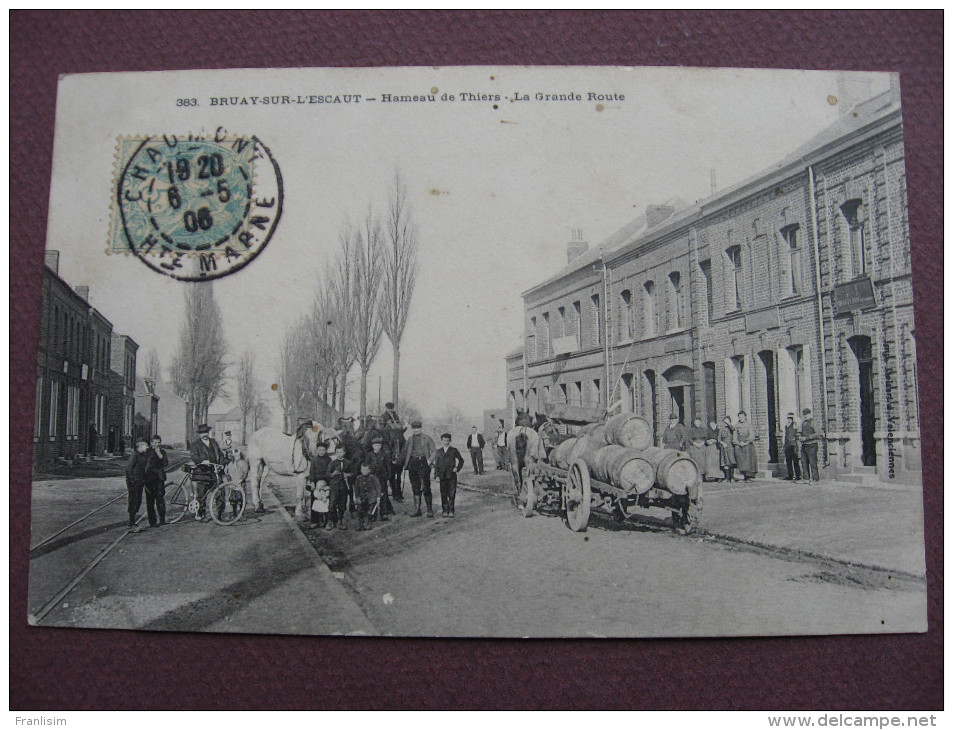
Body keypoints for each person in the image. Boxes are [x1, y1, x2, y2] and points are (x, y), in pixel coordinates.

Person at [189, 424, 227, 521]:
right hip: (202, 473)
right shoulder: (195, 445)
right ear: (199, 434)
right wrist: (202, 461)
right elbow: (194, 456)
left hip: (214, 473)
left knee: (220, 493)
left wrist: (221, 465)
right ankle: (201, 514)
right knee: (201, 495)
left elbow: (221, 455)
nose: (204, 435)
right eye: (202, 433)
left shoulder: (214, 443)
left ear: (208, 433)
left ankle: (219, 514)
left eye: (205, 432)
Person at [402, 420, 435, 517]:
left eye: (418, 428)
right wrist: (403, 463)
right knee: (415, 486)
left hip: (423, 463)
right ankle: (417, 509)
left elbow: (434, 451)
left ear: (421, 428)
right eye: (415, 428)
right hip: (412, 463)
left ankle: (429, 509)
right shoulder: (409, 439)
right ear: (412, 429)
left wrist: (429, 461)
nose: (416, 430)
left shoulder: (427, 438)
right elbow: (405, 452)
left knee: (425, 486)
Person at [433, 432, 465, 518]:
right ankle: (445, 510)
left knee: (452, 493)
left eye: (447, 440)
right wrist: (436, 476)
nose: (446, 442)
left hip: (451, 475)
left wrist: (457, 468)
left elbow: (461, 460)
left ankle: (451, 510)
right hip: (442, 475)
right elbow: (436, 465)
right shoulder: (438, 451)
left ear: (450, 441)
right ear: (442, 441)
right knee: (443, 493)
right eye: (444, 440)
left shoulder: (454, 450)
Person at [125, 437, 150, 532]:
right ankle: (131, 524)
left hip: (140, 482)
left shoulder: (143, 455)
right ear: (140, 446)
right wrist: (132, 480)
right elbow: (129, 468)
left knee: (138, 501)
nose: (147, 447)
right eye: (146, 445)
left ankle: (133, 522)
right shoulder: (135, 455)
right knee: (133, 501)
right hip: (134, 482)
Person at [144, 434, 169, 527]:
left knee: (160, 499)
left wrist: (160, 455)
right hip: (149, 479)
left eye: (159, 443)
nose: (157, 444)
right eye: (155, 443)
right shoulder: (147, 452)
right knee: (150, 501)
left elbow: (165, 463)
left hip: (159, 479)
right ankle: (152, 521)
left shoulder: (162, 452)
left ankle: (162, 519)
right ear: (151, 443)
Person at [307, 441, 334, 528]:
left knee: (326, 501)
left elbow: (329, 472)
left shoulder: (329, 460)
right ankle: (315, 520)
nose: (321, 452)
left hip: (325, 482)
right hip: (316, 482)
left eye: (323, 450)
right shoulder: (314, 460)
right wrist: (312, 482)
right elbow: (311, 472)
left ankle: (327, 521)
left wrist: (326, 483)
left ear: (326, 451)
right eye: (320, 450)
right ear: (317, 451)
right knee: (315, 500)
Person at [365, 437, 393, 519]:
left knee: (383, 494)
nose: (377, 447)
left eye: (378, 445)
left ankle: (383, 513)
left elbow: (388, 467)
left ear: (381, 446)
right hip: (373, 478)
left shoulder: (385, 455)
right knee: (373, 495)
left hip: (382, 478)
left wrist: (388, 477)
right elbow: (366, 466)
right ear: (372, 446)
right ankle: (373, 513)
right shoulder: (369, 455)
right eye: (375, 445)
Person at [353, 462, 382, 531]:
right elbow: (356, 489)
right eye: (363, 469)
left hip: (371, 497)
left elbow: (378, 487)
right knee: (360, 510)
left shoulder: (373, 477)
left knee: (370, 511)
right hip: (362, 497)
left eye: (366, 469)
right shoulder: (358, 478)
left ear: (369, 470)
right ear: (360, 470)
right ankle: (360, 523)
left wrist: (378, 497)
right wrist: (357, 497)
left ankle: (368, 523)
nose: (364, 471)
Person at [733, 411, 758, 481]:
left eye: (742, 417)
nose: (741, 418)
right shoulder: (736, 425)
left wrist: (746, 442)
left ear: (745, 417)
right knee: (741, 460)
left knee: (749, 460)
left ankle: (749, 476)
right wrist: (738, 442)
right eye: (739, 417)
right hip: (739, 444)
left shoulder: (749, 425)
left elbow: (751, 435)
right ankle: (742, 475)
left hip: (747, 444)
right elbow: (735, 436)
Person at [800, 407, 822, 483]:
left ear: (810, 414)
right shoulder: (803, 423)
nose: (805, 416)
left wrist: (807, 438)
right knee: (804, 462)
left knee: (813, 462)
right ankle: (806, 478)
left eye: (806, 414)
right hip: (804, 444)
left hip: (812, 445)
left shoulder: (813, 422)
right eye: (804, 414)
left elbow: (818, 433)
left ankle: (816, 479)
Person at [783, 413, 802, 482]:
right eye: (788, 418)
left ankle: (798, 475)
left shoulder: (794, 425)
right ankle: (790, 475)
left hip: (793, 445)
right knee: (788, 461)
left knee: (795, 461)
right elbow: (786, 436)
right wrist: (784, 446)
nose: (789, 420)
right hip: (787, 445)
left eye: (790, 418)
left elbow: (797, 430)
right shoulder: (786, 426)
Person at [717, 415, 737, 483]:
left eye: (727, 421)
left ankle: (732, 477)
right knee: (725, 462)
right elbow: (719, 438)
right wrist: (722, 443)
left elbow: (733, 429)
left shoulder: (731, 428)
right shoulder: (721, 429)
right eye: (724, 421)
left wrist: (728, 423)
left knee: (731, 461)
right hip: (724, 446)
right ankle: (727, 477)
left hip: (730, 446)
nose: (725, 423)